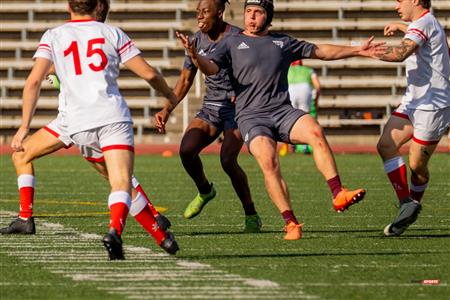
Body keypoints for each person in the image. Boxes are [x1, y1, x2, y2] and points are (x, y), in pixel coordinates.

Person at [177, 0, 383, 240]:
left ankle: (338, 193)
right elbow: (211, 68)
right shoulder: (230, 43)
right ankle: (291, 223)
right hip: (251, 117)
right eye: (248, 12)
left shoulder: (283, 42)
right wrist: (194, 56)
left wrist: (357, 49)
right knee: (269, 161)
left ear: (268, 16)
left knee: (315, 131)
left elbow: (321, 51)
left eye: (258, 12)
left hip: (283, 111)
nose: (252, 17)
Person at [2, 0, 180, 259]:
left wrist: (23, 126)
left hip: (77, 123)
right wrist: (170, 96)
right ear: (98, 6)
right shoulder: (111, 32)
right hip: (104, 115)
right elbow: (150, 74)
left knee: (114, 177)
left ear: (68, 5)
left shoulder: (54, 35)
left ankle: (156, 225)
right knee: (118, 179)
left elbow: (33, 82)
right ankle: (139, 226)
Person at [155, 0, 262, 233]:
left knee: (227, 160)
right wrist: (166, 109)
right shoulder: (196, 40)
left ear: (220, 13)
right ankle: (205, 190)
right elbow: (185, 80)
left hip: (238, 109)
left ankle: (251, 213)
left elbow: (258, 70)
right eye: (197, 13)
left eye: (205, 12)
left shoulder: (238, 37)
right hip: (212, 106)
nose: (200, 17)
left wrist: (248, 95)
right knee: (186, 150)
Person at [374, 0, 449, 236]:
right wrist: (400, 25)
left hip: (433, 105)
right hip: (414, 101)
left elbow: (400, 53)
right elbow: (417, 33)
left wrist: (368, 51)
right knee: (386, 145)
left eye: (400, 0)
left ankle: (412, 204)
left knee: (416, 164)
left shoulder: (424, 23)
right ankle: (407, 204)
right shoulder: (424, 22)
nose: (396, 5)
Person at [280, 59, 321, 155]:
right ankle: (306, 145)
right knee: (305, 118)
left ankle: (289, 144)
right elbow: (318, 87)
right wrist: (316, 100)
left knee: (289, 118)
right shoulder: (308, 70)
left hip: (290, 89)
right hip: (305, 89)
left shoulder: (286, 69)